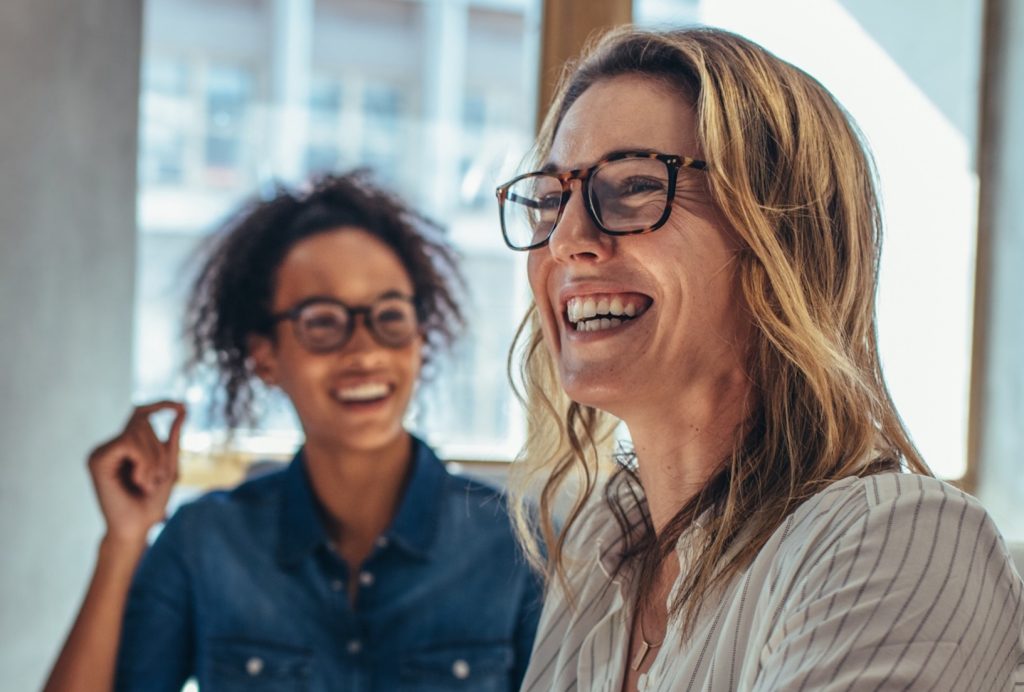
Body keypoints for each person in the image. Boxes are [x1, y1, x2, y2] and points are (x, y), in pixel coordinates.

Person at [495, 26, 1024, 691]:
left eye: (631, 188)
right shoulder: (605, 544)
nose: (568, 239)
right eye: (550, 200)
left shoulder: (896, 539)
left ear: (780, 237)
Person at [45, 172, 541, 692]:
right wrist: (123, 539)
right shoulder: (204, 544)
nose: (365, 351)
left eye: (390, 316)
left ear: (421, 337)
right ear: (264, 355)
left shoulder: (519, 548)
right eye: (323, 322)